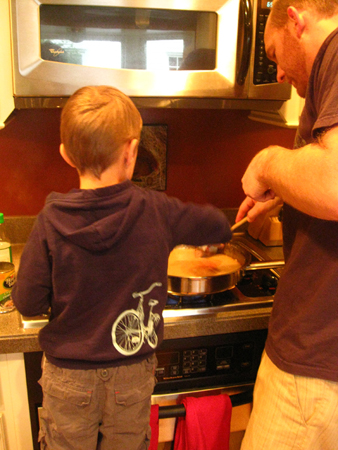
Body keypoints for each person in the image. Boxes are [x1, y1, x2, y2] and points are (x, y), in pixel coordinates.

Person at [12, 85, 232, 450]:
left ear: (66, 155)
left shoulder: (50, 220)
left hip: (68, 378)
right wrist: (219, 230)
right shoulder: (157, 210)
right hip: (131, 378)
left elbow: (28, 302)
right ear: (132, 152)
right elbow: (214, 224)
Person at [235, 1, 338, 449]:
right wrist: (288, 195)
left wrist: (267, 163)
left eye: (274, 55)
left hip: (315, 365)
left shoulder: (335, 51)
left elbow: (335, 183)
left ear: (296, 21)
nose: (277, 75)